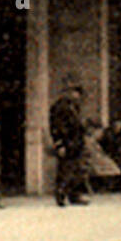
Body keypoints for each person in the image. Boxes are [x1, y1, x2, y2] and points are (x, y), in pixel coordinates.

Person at [49, 78, 89, 206]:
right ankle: (61, 194)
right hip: (67, 142)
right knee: (65, 169)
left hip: (76, 142)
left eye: (77, 92)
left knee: (76, 170)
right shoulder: (59, 107)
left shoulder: (75, 107)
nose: (77, 95)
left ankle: (74, 195)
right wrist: (59, 144)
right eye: (74, 92)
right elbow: (55, 127)